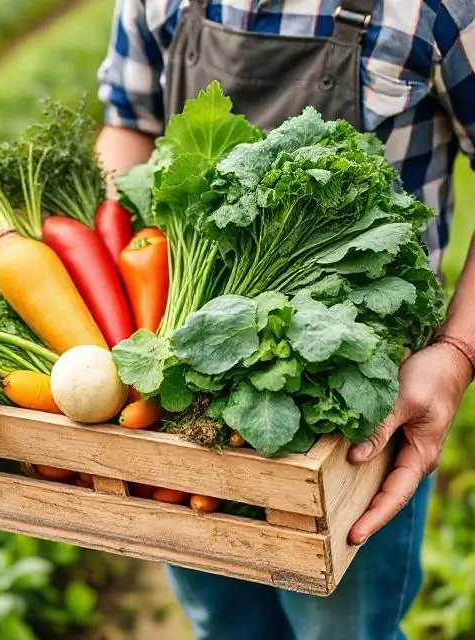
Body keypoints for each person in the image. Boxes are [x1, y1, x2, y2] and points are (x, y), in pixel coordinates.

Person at [95, 1, 475, 638]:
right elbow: (129, 123)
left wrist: (458, 353)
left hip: (356, 404)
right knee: (223, 620)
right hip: (185, 397)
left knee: (343, 630)